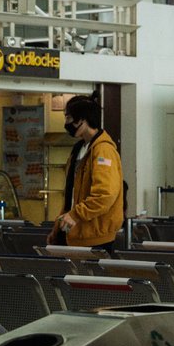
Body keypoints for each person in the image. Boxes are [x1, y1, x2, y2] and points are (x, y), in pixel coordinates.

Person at [46, 94, 123, 251]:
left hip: (95, 236)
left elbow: (104, 195)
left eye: (68, 118)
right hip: (74, 232)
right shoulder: (79, 149)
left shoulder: (103, 151)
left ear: (83, 119)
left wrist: (75, 215)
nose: (66, 123)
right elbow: (72, 194)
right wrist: (58, 227)